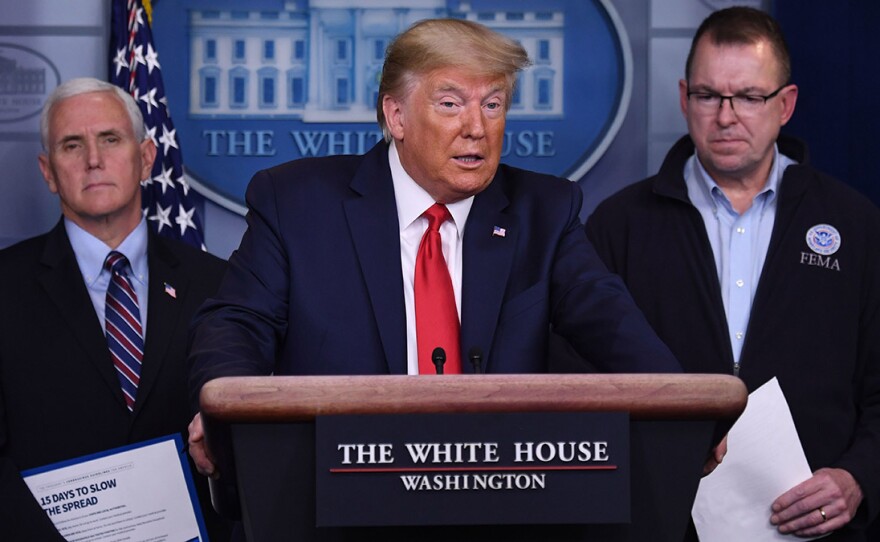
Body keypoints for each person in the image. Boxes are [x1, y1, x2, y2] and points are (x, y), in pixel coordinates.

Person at [187, 18, 681, 476]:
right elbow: (237, 323)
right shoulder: (298, 203)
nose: (477, 128)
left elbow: (610, 321)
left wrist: (683, 406)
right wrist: (223, 409)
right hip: (333, 486)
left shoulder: (543, 211)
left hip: (496, 496)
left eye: (492, 104)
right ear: (396, 116)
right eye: (450, 104)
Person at [585, 7, 879, 541]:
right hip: (660, 525)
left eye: (748, 96)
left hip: (814, 527)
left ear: (785, 104)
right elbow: (583, 383)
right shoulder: (618, 224)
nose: (725, 116)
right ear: (683, 98)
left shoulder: (854, 223)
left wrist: (859, 476)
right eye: (707, 96)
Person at [0, 78, 230, 541]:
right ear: (48, 171)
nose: (93, 160)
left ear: (145, 158)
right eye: (71, 145)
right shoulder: (5, 285)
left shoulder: (219, 283)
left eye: (110, 138)